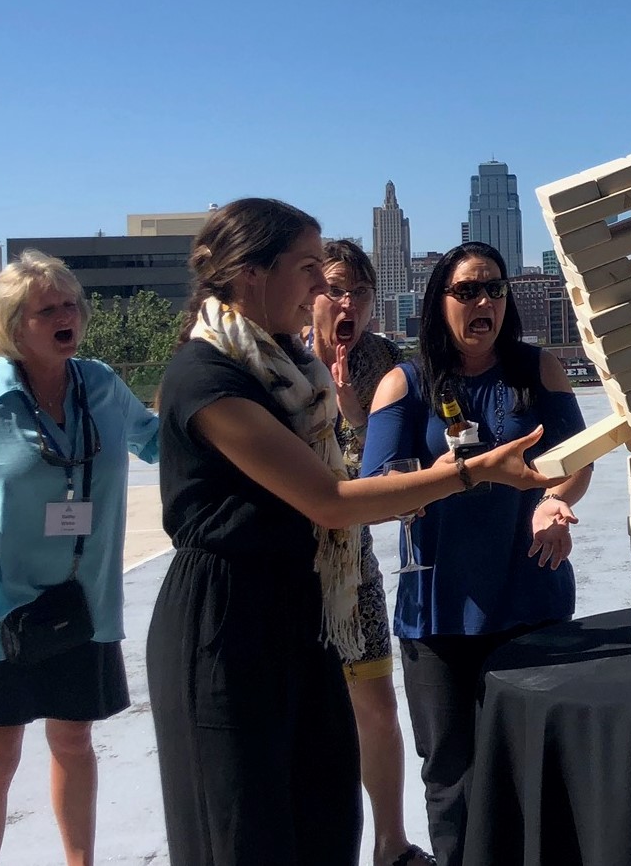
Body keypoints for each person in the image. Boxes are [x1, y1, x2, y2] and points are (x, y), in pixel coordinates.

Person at [147, 201, 561, 866]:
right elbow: (330, 501)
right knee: (244, 833)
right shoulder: (208, 378)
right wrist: (472, 472)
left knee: (324, 819)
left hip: (306, 611)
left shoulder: (287, 372)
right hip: (227, 626)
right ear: (252, 273)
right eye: (310, 269)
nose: (321, 288)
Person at [362, 241, 591, 864]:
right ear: (439, 303)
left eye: (493, 288)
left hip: (528, 597)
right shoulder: (404, 384)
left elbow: (576, 461)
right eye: (466, 291)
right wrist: (433, 477)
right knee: (451, 772)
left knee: (533, 765)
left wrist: (554, 502)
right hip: (439, 614)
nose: (482, 300)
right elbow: (375, 491)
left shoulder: (538, 369)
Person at [0, 251, 159, 866]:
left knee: (73, 740)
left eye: (72, 305)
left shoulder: (103, 386)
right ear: (14, 324)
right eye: (48, 309)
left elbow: (160, 440)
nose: (67, 316)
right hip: (0, 607)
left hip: (81, 597)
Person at [304, 238, 434, 866]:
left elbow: (375, 476)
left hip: (353, 566)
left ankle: (391, 844)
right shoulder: (279, 358)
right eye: (334, 289)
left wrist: (353, 409)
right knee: (302, 721)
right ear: (310, 296)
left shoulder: (385, 363)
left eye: (358, 291)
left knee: (378, 707)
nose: (346, 302)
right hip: (286, 569)